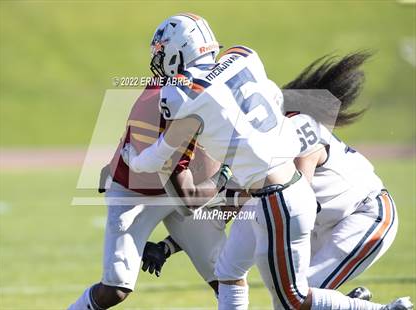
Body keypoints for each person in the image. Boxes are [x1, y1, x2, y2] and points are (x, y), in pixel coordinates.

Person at [120, 13, 413, 310]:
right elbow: (230, 209)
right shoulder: (253, 128)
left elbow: (291, 196)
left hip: (358, 213)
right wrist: (169, 246)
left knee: (295, 300)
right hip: (286, 202)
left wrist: (227, 195)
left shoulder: (293, 132)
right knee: (229, 270)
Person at [68, 83, 231, 310]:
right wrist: (222, 177)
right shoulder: (160, 101)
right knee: (115, 288)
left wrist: (166, 247)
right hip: (136, 192)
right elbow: (190, 196)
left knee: (227, 278)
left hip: (184, 190)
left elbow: (220, 209)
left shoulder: (217, 109)